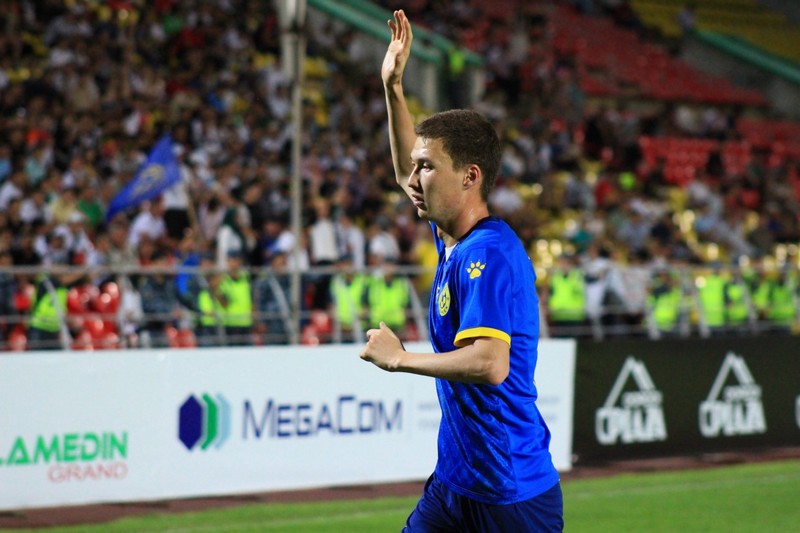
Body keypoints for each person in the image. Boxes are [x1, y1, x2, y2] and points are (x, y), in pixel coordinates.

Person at [359, 10, 562, 531]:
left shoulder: (489, 253)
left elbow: (490, 362)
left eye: (427, 167)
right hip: (455, 482)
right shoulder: (451, 234)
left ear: (470, 177)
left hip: (509, 494)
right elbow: (404, 169)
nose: (413, 178)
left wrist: (400, 360)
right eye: (417, 165)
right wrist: (393, 88)